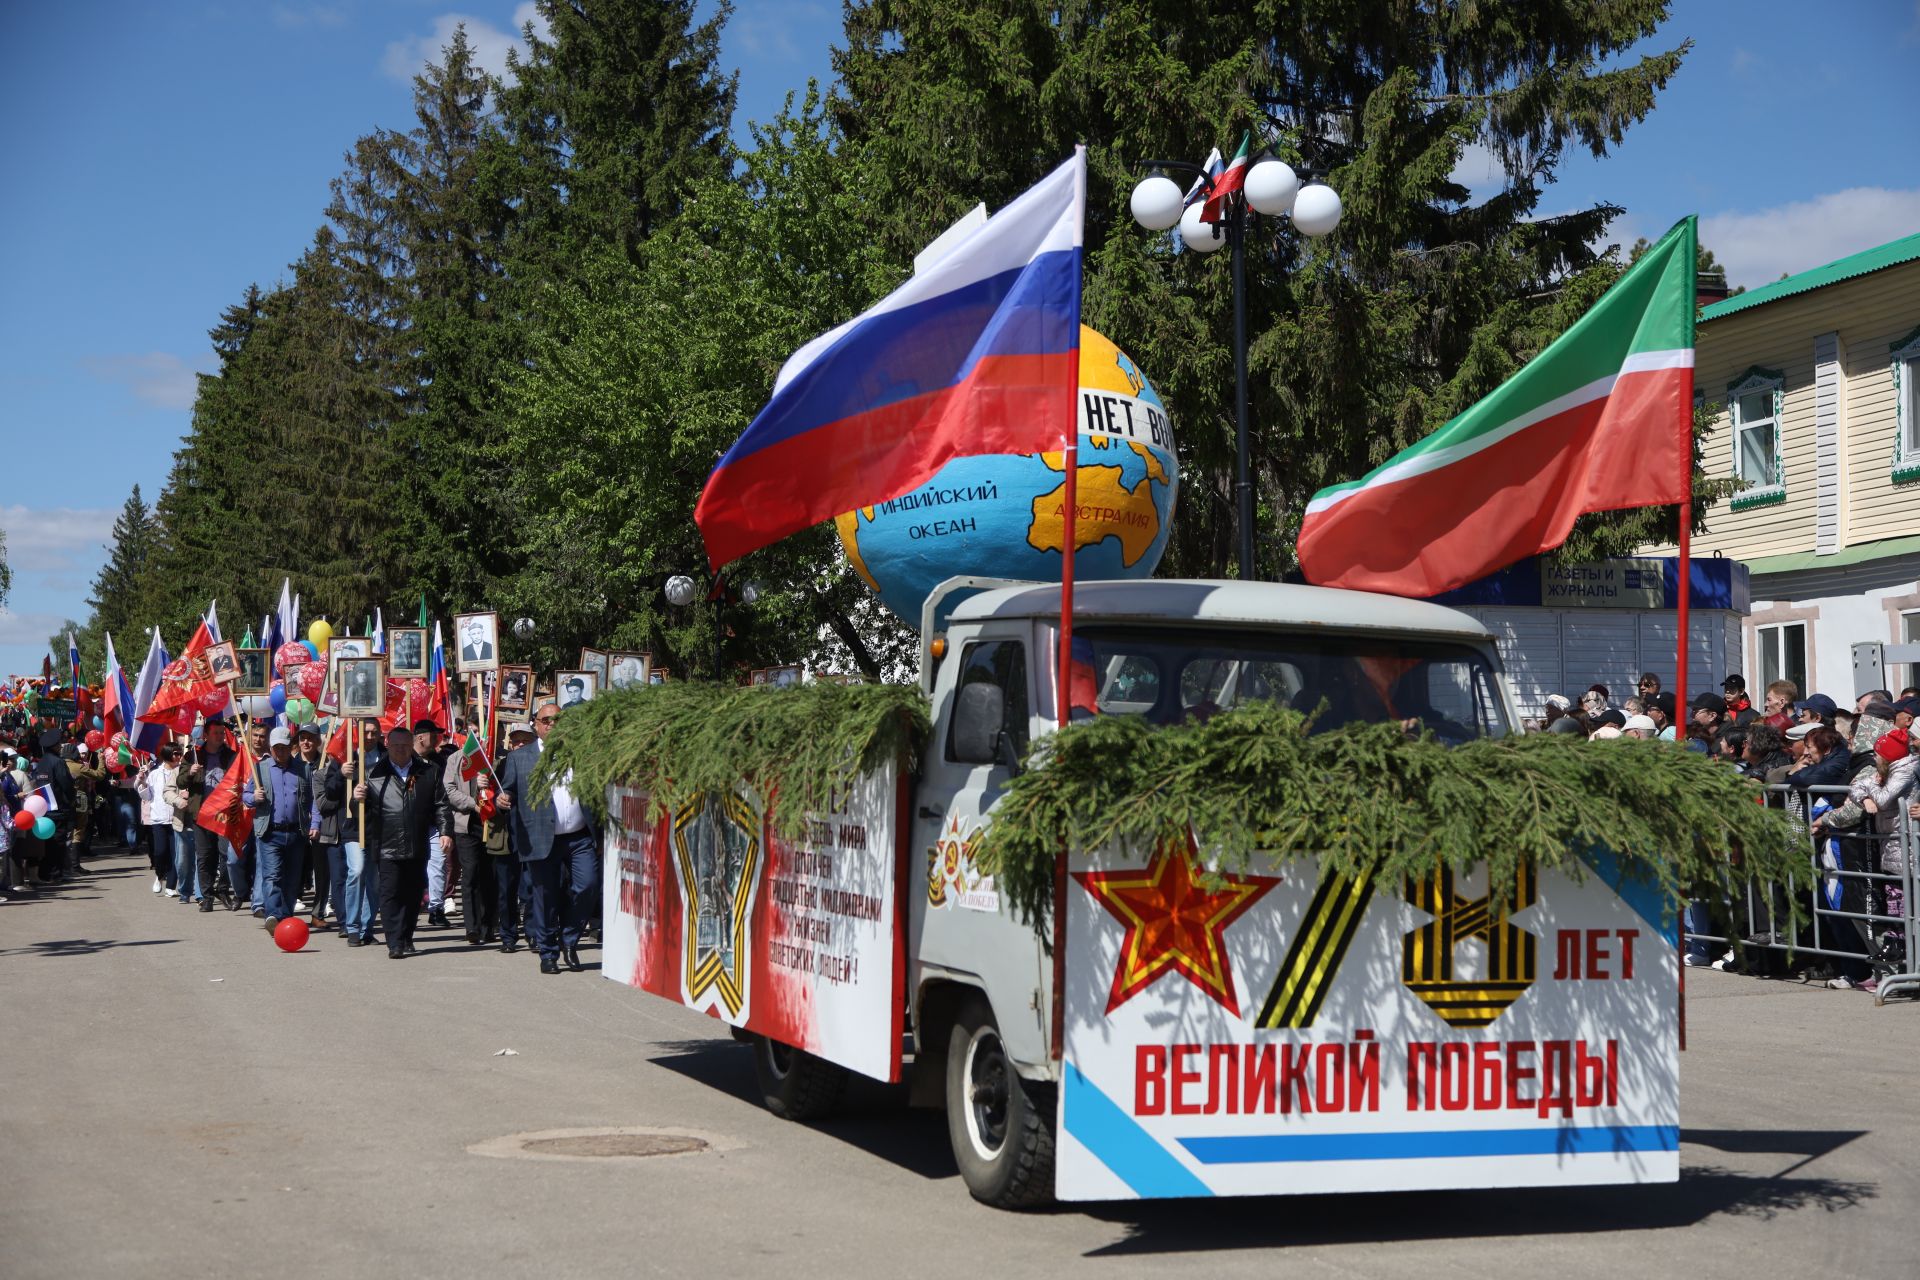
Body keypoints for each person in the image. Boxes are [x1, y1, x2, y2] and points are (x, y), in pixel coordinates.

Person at [496, 701, 602, 974]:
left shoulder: (582, 753)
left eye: (558, 720)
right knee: (545, 896)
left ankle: (569, 939)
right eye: (546, 721)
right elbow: (506, 792)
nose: (552, 725)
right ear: (536, 725)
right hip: (541, 837)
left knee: (588, 886)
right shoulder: (520, 759)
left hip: (579, 838)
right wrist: (502, 799)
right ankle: (548, 952)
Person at [355, 721, 452, 959]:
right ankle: (394, 941)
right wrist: (356, 799)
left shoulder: (428, 772)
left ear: (412, 745)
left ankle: (407, 935)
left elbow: (441, 804)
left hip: (417, 842)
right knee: (390, 894)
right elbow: (359, 812)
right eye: (395, 745)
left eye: (405, 745)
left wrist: (446, 831)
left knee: (413, 894)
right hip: (386, 845)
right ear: (387, 745)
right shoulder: (373, 774)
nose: (400, 750)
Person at [243, 726, 311, 931]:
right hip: (270, 832)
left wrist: (313, 823)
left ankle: (286, 916)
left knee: (292, 878)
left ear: (290, 747)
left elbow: (310, 800)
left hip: (296, 832)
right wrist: (253, 797)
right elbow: (245, 795)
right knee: (272, 876)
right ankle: (272, 914)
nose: (280, 751)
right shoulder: (261, 768)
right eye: (276, 748)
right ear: (270, 748)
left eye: (283, 747)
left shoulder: (303, 769)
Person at [443, 730, 497, 945]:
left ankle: (489, 924)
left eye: (480, 733)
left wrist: (489, 786)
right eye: (471, 732)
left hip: (492, 824)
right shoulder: (455, 760)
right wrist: (473, 804)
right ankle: (472, 927)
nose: (476, 737)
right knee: (471, 873)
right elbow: (449, 789)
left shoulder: (494, 757)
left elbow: (505, 788)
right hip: (466, 824)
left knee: (490, 876)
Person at [338, 717, 385, 948]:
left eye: (374, 732)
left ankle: (367, 928)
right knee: (356, 871)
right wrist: (341, 775)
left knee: (374, 881)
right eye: (366, 732)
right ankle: (352, 927)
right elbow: (329, 791)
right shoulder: (347, 756)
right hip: (353, 828)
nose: (370, 736)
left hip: (378, 828)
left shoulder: (387, 757)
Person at [302, 724, 345, 930]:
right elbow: (321, 801)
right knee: (298, 874)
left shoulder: (329, 764)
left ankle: (319, 912)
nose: (306, 742)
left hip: (324, 828)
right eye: (302, 738)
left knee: (325, 873)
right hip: (298, 826)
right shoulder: (293, 763)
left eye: (311, 738)